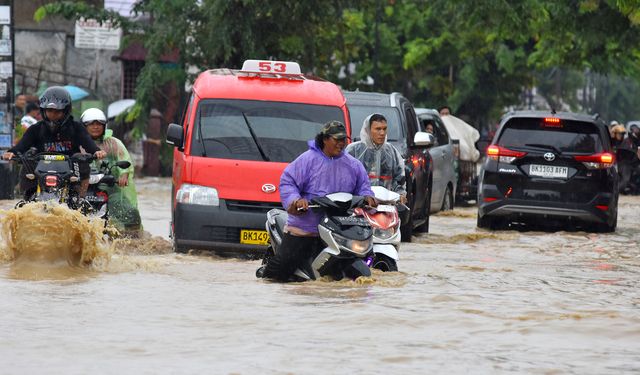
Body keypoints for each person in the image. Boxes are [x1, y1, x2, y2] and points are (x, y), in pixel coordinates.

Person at [259, 120, 376, 282]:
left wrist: (368, 197)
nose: (341, 143)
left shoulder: (353, 165)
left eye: (343, 139)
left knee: (361, 268)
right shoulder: (307, 160)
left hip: (339, 228)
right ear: (325, 139)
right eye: (337, 139)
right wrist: (296, 200)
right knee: (283, 266)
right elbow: (288, 182)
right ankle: (266, 277)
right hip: (305, 228)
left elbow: (363, 187)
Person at [2, 86, 106, 198]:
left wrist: (97, 152)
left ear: (65, 111)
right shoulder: (36, 128)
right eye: (49, 111)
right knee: (28, 157)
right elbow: (22, 145)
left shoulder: (76, 128)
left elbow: (88, 143)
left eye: (57, 111)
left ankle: (80, 199)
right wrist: (11, 152)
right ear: (44, 111)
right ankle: (27, 199)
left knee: (80, 158)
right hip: (41, 168)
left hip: (70, 169)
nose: (53, 115)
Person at [81, 108, 142, 235]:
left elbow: (124, 160)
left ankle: (133, 238)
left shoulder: (113, 143)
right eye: (91, 124)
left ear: (104, 126)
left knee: (130, 212)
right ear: (84, 126)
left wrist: (123, 175)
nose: (96, 127)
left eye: (99, 124)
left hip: (111, 188)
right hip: (82, 189)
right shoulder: (77, 143)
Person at [345, 113, 407, 204]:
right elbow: (345, 178)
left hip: (387, 205)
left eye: (384, 129)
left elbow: (399, 178)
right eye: (378, 129)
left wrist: (400, 194)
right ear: (368, 130)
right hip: (359, 204)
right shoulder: (353, 150)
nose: (382, 133)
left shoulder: (391, 152)